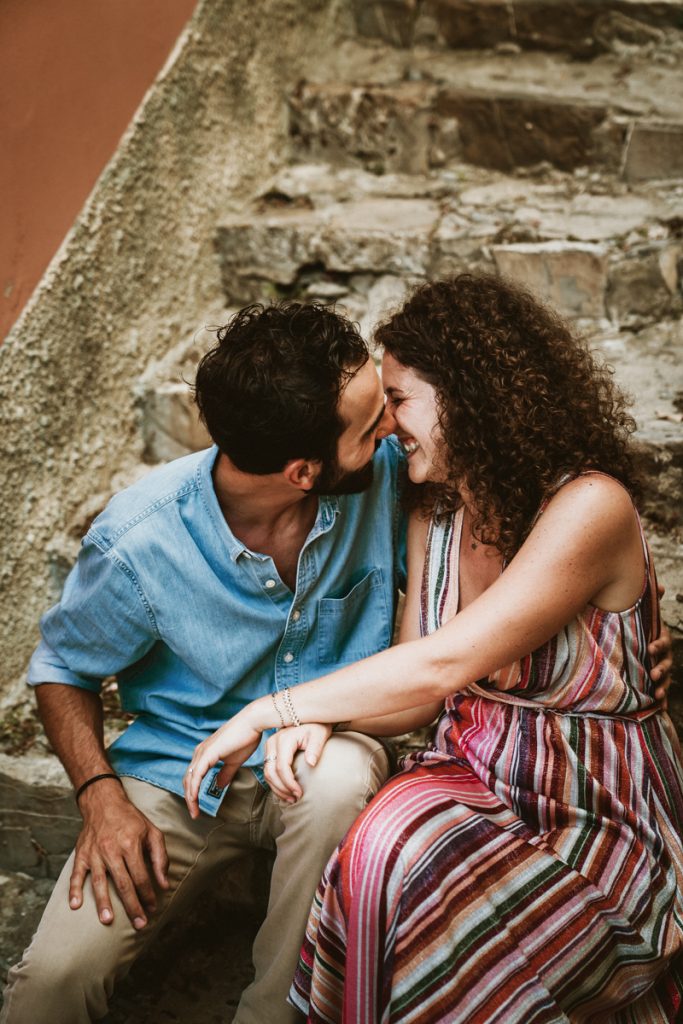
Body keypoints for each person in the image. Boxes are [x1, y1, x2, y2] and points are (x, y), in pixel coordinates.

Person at [185, 275, 683, 1023]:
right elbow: (420, 690)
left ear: (470, 396)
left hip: (590, 817)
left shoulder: (588, 507)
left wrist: (269, 711)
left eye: (399, 397)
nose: (385, 424)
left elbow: (448, 661)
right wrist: (326, 719)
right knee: (380, 847)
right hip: (473, 781)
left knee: (420, 877)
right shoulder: (436, 512)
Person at [0, 302, 403, 1024]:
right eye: (373, 425)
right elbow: (62, 667)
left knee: (336, 780)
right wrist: (100, 798)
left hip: (321, 752)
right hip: (178, 774)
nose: (392, 430)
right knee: (52, 984)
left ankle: (275, 1012)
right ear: (303, 471)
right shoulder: (137, 541)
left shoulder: (391, 476)